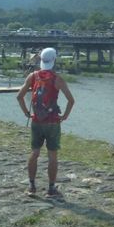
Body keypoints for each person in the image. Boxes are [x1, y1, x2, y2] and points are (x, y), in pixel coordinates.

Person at [17, 47, 74, 198]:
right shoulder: (57, 79)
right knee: (52, 156)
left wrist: (26, 113)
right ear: (54, 60)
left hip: (36, 120)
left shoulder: (33, 76)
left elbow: (19, 96)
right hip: (53, 122)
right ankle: (51, 189)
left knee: (35, 153)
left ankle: (31, 186)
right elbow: (71, 100)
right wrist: (65, 116)